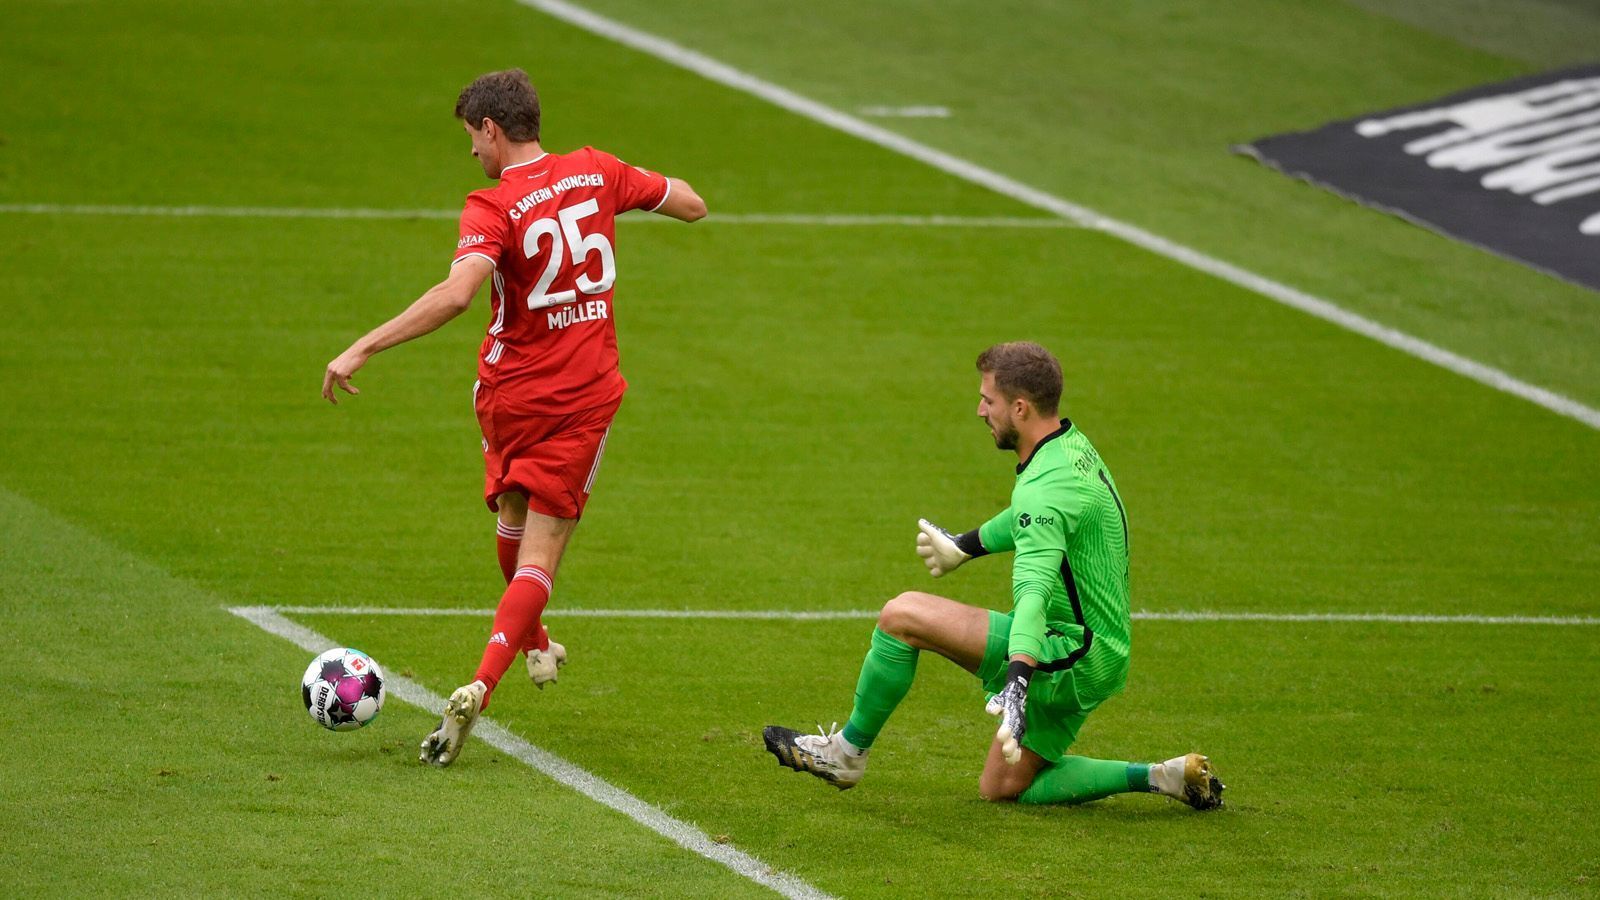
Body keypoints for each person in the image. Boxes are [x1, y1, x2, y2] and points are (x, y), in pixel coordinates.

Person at [321, 68, 707, 767]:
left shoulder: (491, 207)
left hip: (508, 395)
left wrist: (363, 344)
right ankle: (481, 683)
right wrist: (633, 196)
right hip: (582, 396)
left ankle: (534, 643)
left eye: (472, 136)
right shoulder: (597, 170)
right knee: (544, 553)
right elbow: (691, 204)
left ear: (492, 129)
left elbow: (459, 293)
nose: (472, 151)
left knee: (512, 516)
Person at [762, 342, 1224, 809]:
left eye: (989, 400)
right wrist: (965, 546)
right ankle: (1163, 777)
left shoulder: (1044, 491)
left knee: (901, 616)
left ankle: (846, 754)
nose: (980, 410)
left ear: (1019, 408)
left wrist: (1019, 678)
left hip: (1070, 653)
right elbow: (1031, 519)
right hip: (1105, 651)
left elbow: (1033, 593)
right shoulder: (1069, 447)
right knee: (1001, 787)